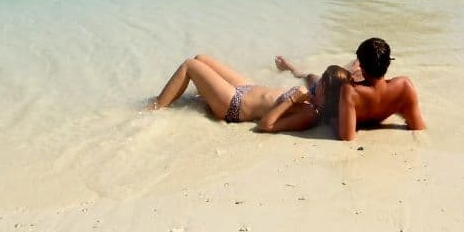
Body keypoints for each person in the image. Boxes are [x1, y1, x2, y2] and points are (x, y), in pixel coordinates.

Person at [149, 53, 350, 133]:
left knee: (190, 66)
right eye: (322, 79)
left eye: (322, 85)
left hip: (234, 105)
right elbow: (308, 75)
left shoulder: (309, 114)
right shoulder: (314, 91)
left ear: (328, 98)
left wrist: (290, 100)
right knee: (200, 58)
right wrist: (288, 66)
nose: (318, 84)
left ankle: (155, 107)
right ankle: (203, 94)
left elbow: (265, 125)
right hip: (246, 88)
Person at [337, 37, 426, 141]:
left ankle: (357, 64)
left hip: (355, 81)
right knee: (355, 68)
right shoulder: (404, 86)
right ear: (388, 63)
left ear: (363, 68)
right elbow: (418, 128)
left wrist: (333, 121)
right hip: (379, 89)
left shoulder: (351, 92)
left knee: (345, 71)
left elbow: (347, 138)